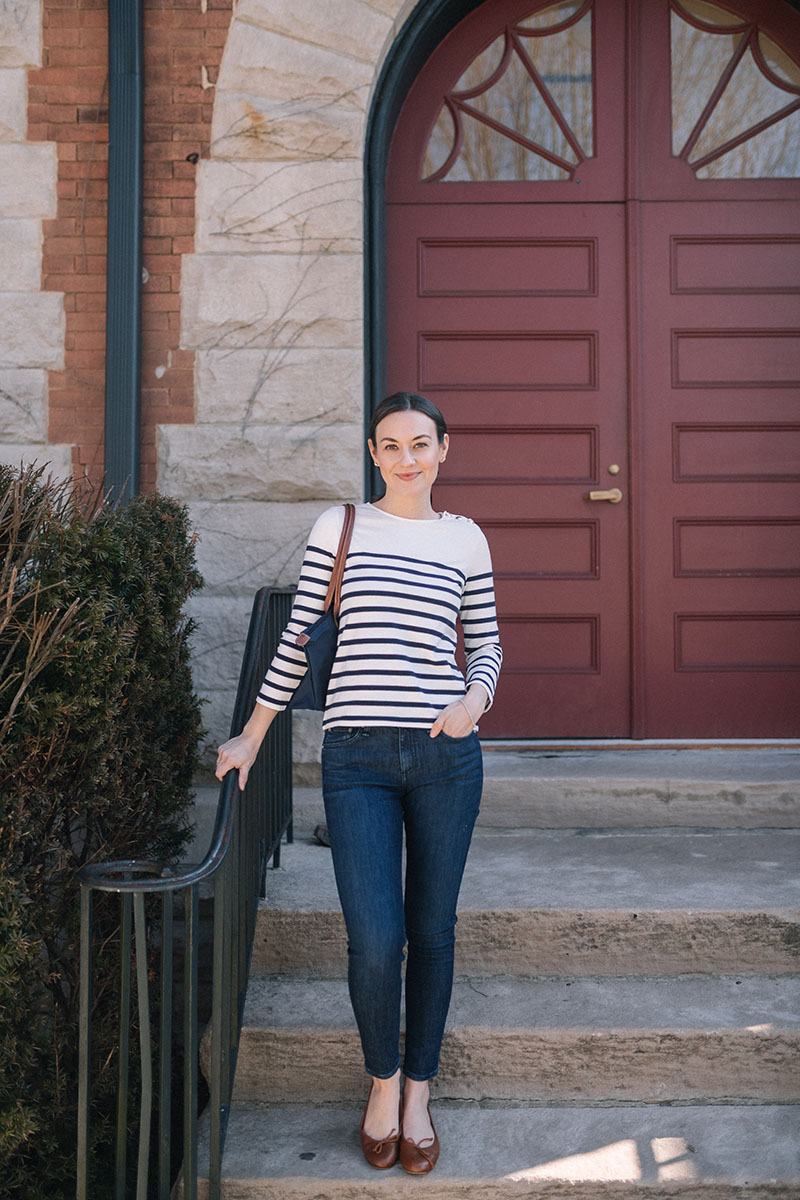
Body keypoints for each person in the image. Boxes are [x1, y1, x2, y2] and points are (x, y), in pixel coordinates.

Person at [216, 391, 502, 1174]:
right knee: (377, 940)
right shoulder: (340, 528)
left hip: (446, 758)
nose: (405, 458)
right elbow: (299, 638)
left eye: (419, 443)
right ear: (374, 454)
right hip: (357, 760)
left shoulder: (465, 539)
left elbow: (486, 645)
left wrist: (473, 700)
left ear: (445, 448)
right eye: (388, 446)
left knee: (431, 931)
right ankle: (381, 1082)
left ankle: (418, 1092)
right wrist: (252, 733)